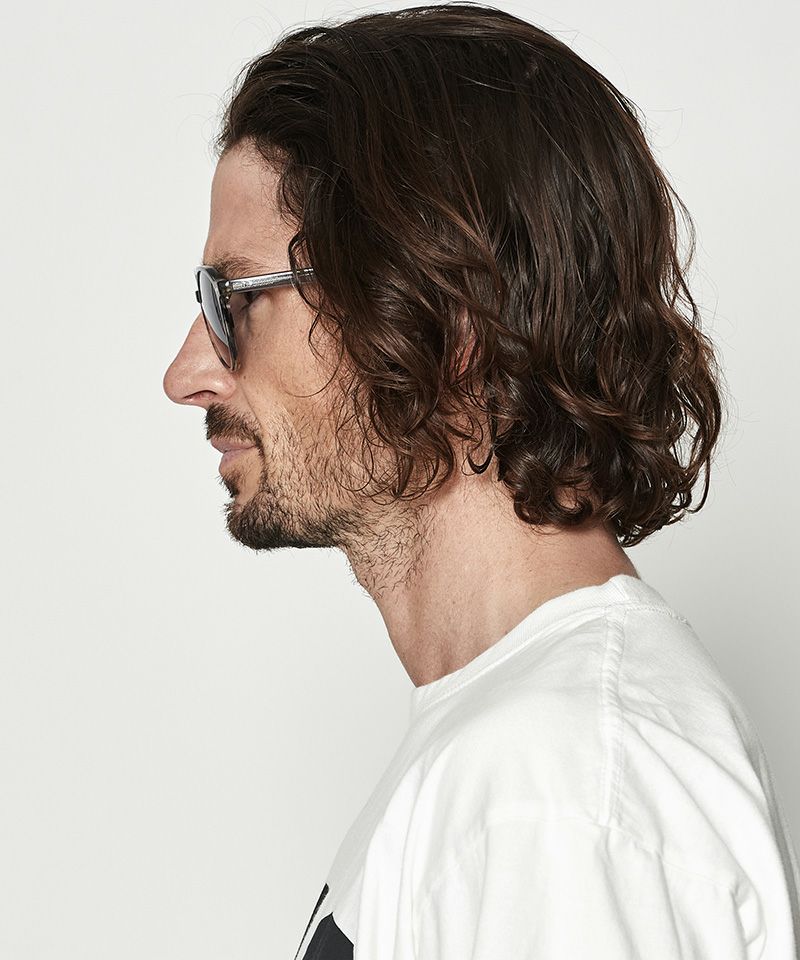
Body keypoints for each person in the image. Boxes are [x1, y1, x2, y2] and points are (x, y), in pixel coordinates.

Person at [162, 4, 800, 957]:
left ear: (446, 315)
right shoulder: (516, 757)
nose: (186, 375)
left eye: (235, 300)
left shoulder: (552, 791)